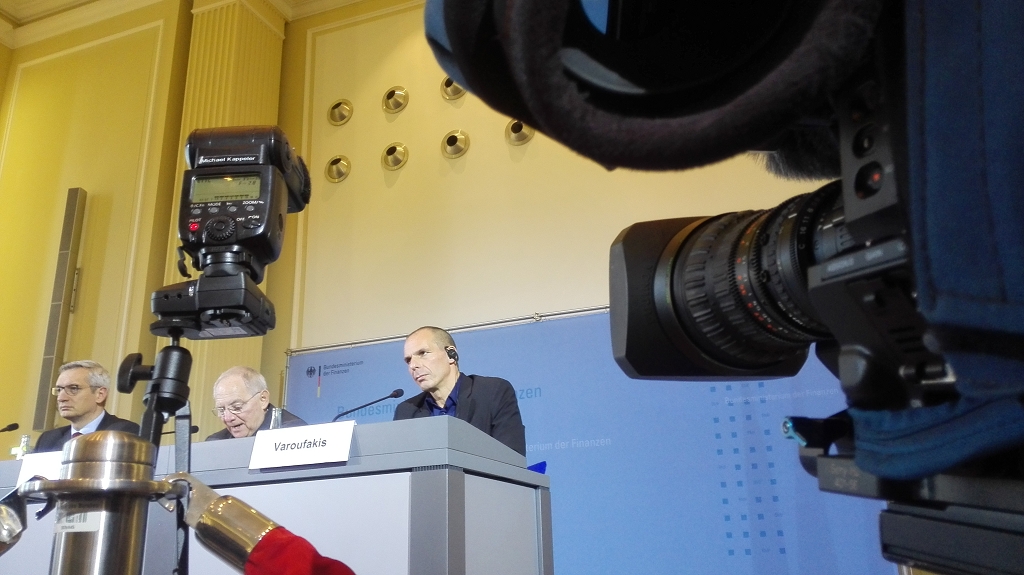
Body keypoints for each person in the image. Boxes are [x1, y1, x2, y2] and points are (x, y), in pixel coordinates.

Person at [393, 326, 526, 455]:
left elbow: (511, 457)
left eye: (423, 353)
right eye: (408, 360)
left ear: (451, 354)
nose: (413, 365)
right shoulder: (407, 411)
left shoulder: (492, 392)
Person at [35, 360, 140, 452]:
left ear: (100, 394)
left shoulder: (125, 433)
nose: (61, 398)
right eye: (59, 390)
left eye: (73, 388)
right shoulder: (48, 440)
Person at [206, 366, 306, 440]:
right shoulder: (215, 442)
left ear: (263, 399)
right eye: (221, 410)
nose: (228, 418)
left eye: (236, 407)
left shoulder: (294, 434)